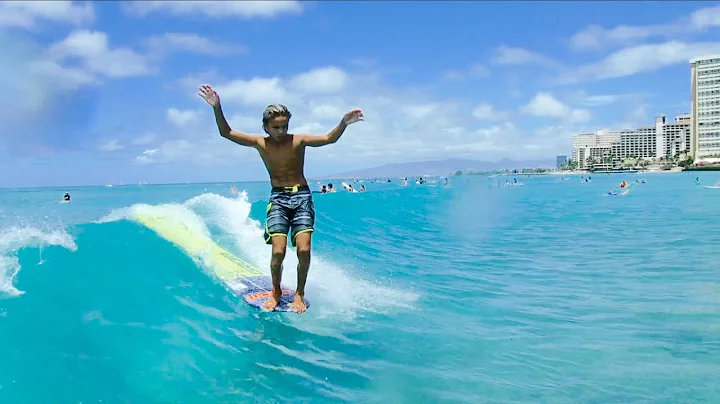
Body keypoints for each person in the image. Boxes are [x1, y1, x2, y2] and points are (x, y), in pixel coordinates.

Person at [198, 84, 364, 313]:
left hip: (302, 197)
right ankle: (276, 292)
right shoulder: (260, 143)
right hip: (278, 199)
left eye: (284, 126)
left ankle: (299, 293)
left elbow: (328, 139)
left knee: (304, 250)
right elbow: (226, 133)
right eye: (276, 127)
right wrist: (217, 107)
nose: (281, 131)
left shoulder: (299, 140)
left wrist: (344, 123)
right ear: (265, 126)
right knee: (278, 251)